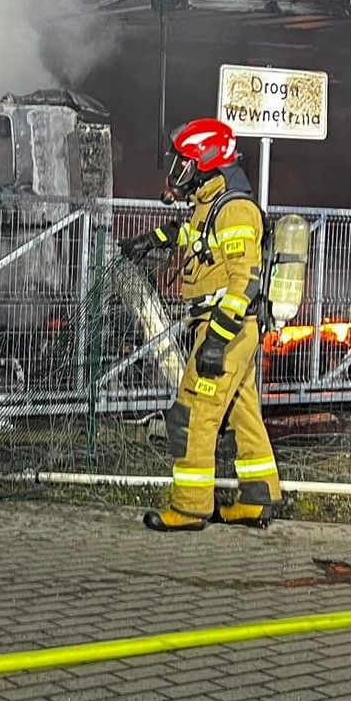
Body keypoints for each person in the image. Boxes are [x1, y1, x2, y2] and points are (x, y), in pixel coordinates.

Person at [120, 118, 282, 532]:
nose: (179, 170)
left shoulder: (236, 209)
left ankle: (190, 508)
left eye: (185, 162)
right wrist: (156, 238)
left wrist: (215, 341)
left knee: (191, 416)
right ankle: (257, 499)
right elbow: (193, 237)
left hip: (227, 327)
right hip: (230, 328)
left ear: (208, 161)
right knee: (244, 414)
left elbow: (243, 280)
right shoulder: (210, 203)